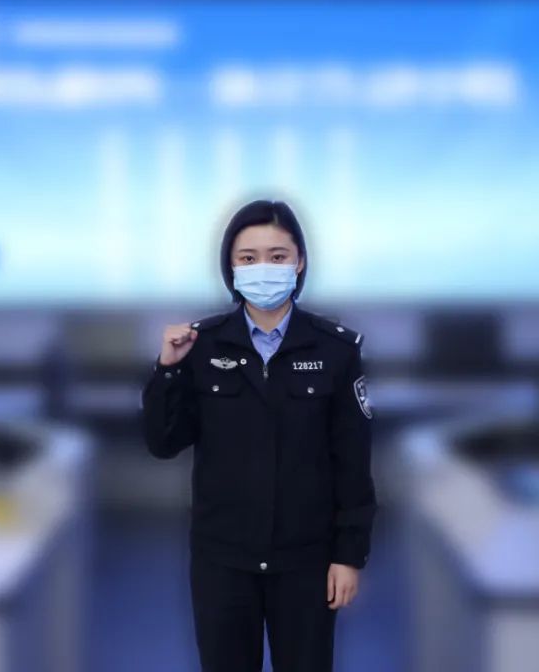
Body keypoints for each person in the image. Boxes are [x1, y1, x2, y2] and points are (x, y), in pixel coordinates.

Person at [141, 198, 377, 672]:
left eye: (277, 256)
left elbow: (352, 461)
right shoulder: (201, 344)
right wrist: (167, 369)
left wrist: (349, 556)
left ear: (299, 261)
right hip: (223, 559)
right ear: (230, 267)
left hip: (307, 560)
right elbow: (163, 443)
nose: (263, 269)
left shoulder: (335, 349)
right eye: (248, 258)